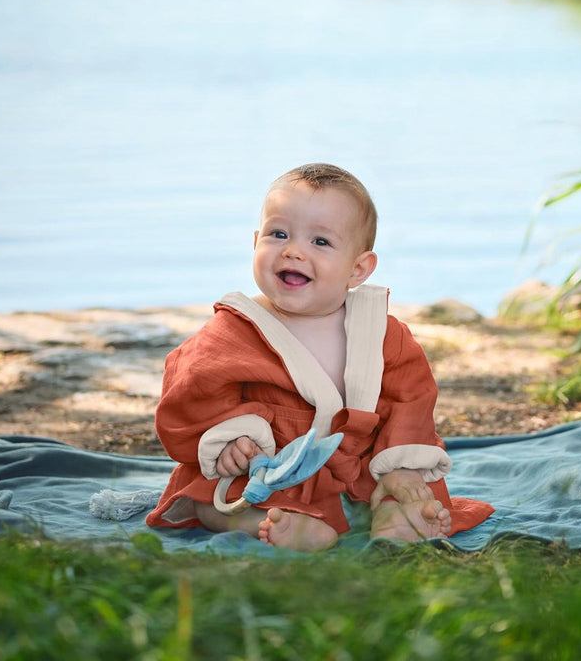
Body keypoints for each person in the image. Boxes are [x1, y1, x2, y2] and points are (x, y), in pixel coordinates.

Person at [146, 163, 494, 550]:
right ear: (256, 242)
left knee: (406, 485)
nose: (293, 250)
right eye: (279, 234)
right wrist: (232, 439)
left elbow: (410, 400)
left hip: (360, 468)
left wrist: (399, 466)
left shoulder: (381, 333)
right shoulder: (233, 330)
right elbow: (193, 392)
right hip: (272, 468)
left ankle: (395, 515)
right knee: (212, 497)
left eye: (321, 242)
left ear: (358, 269)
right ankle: (264, 522)